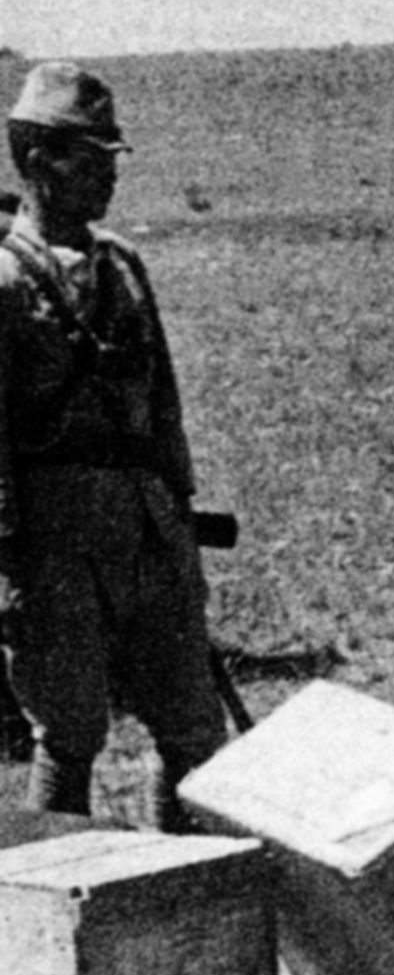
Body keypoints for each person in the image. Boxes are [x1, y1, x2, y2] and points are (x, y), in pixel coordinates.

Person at [0, 62, 225, 828]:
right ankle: (51, 928)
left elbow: (164, 407)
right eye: (86, 157)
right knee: (68, 737)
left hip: (151, 531)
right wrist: (7, 564)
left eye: (110, 159)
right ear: (34, 160)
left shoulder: (124, 266)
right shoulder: (2, 282)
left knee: (194, 728)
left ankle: (190, 900)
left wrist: (182, 522)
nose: (106, 176)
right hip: (54, 543)